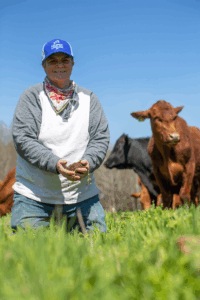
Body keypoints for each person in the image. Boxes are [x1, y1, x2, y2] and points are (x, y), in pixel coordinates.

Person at [11, 39, 110, 233]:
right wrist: (56, 164)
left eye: (65, 60)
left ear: (73, 64)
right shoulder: (31, 96)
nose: (59, 65)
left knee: (97, 250)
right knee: (30, 257)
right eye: (52, 61)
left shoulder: (89, 98)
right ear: (44, 66)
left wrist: (88, 162)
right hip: (34, 197)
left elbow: (100, 138)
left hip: (82, 198)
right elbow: (23, 138)